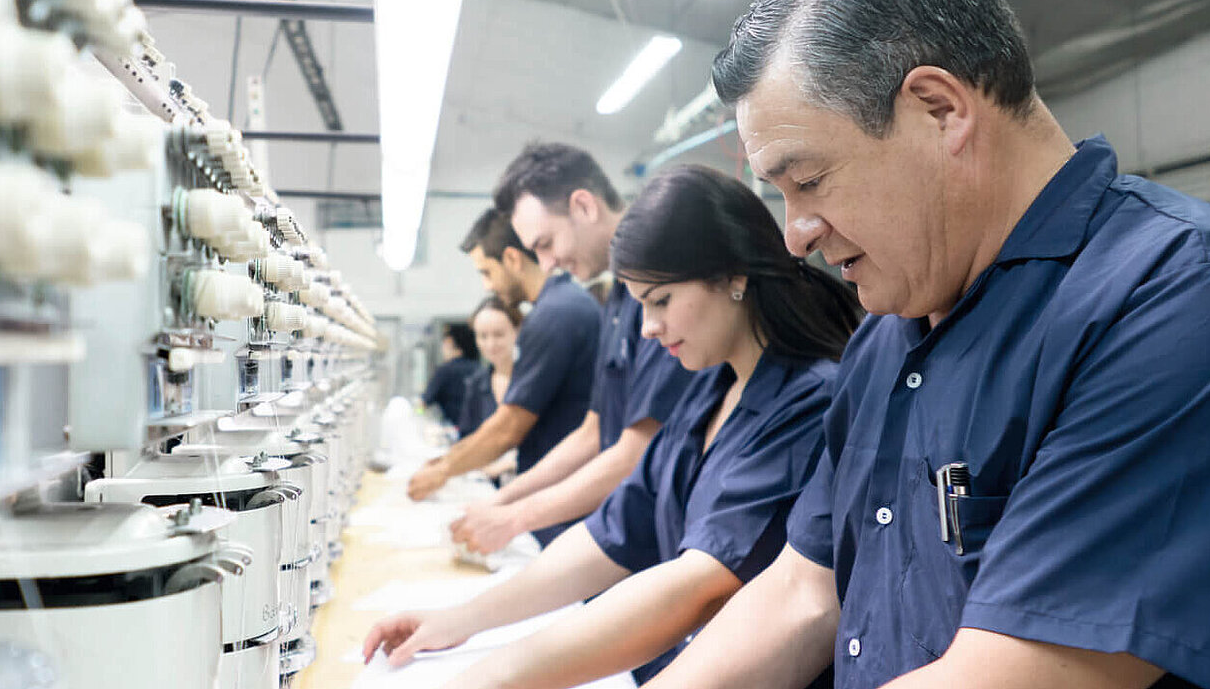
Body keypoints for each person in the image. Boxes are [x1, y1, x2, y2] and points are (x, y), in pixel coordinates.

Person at [643, 0, 1210, 689]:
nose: (795, 237)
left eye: (810, 181)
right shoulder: (887, 342)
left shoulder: (1201, 301)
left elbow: (1026, 671)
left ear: (939, 109)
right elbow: (803, 594)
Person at [363, 165, 864, 689]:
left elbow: (700, 583)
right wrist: (457, 621)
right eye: (642, 306)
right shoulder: (705, 393)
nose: (648, 328)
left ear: (734, 277)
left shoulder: (809, 402)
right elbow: (613, 533)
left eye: (661, 302)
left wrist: (495, 676)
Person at [444, 143, 695, 556]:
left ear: (583, 206)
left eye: (545, 243)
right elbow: (592, 433)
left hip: (662, 536)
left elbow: (638, 447)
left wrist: (514, 516)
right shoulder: (616, 299)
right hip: (624, 529)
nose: (545, 264)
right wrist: (501, 501)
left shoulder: (656, 296)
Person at [409, 208, 600, 546]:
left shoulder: (555, 314)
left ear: (512, 258)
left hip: (565, 502)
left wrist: (442, 471)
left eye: (487, 272)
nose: (488, 286)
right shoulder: (563, 305)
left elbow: (508, 427)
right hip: (554, 491)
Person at [455, 296, 522, 439]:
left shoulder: (534, 378)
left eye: (498, 335)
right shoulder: (476, 384)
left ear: (517, 331)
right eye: (483, 336)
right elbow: (467, 437)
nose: (491, 344)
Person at [421, 322, 481, 427]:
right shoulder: (480, 369)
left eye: (444, 344)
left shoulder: (445, 371)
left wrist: (416, 414)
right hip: (479, 430)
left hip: (454, 430)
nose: (442, 349)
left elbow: (424, 404)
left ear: (453, 345)